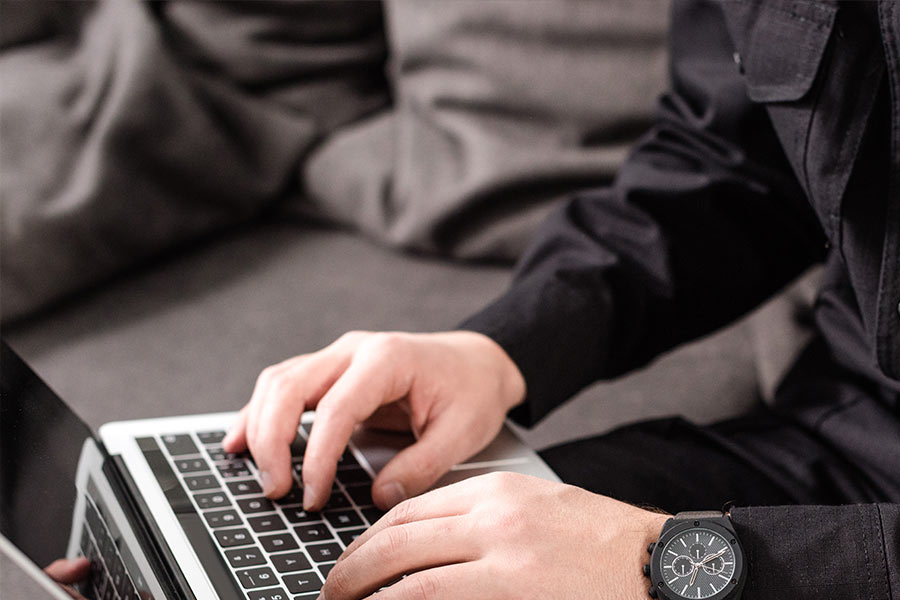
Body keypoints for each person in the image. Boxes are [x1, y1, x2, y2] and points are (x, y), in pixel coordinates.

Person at [220, 0, 899, 598]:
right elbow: (734, 163)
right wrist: (496, 350)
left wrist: (649, 565)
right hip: (836, 447)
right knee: (381, 555)